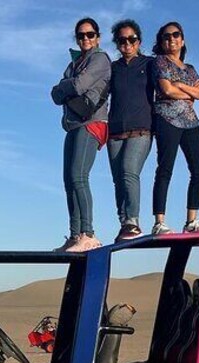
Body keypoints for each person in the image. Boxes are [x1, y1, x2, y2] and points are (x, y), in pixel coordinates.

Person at [51, 17, 112, 252]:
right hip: (74, 125)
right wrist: (66, 89)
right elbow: (55, 94)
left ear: (97, 37)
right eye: (81, 35)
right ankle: (75, 235)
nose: (85, 39)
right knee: (69, 181)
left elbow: (76, 87)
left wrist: (66, 88)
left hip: (92, 122)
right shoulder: (75, 64)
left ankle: (88, 234)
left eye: (90, 34)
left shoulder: (100, 59)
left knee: (79, 176)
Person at [150, 21, 199, 234]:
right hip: (167, 119)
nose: (171, 39)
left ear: (182, 40)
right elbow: (167, 90)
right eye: (166, 36)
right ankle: (159, 221)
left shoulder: (190, 68)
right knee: (165, 168)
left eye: (176, 35)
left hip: (190, 121)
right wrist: (189, 92)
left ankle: (191, 220)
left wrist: (181, 86)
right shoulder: (160, 62)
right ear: (161, 42)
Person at [107, 19, 154, 241]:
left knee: (128, 172)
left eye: (131, 39)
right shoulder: (112, 68)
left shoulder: (150, 64)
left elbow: (167, 82)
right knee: (118, 179)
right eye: (122, 40)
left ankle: (132, 222)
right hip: (114, 132)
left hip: (141, 130)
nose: (127, 43)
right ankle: (124, 222)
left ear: (139, 41)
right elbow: (97, 90)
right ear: (117, 43)